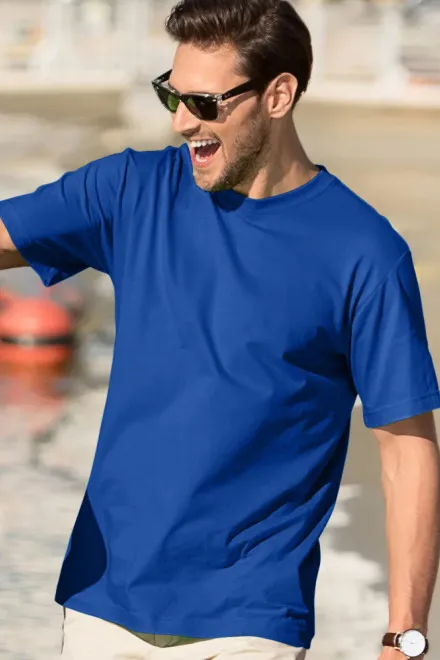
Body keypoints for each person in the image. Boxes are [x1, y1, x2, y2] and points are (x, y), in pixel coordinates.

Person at [0, 0, 439, 658]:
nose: (182, 121)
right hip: (102, 603)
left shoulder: (365, 253)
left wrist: (404, 636)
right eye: (171, 95)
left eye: (204, 103)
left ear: (278, 95)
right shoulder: (130, 191)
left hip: (250, 620)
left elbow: (407, 449)